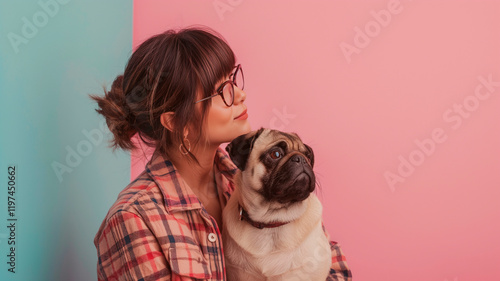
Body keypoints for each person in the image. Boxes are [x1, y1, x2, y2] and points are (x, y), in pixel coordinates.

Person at [90, 26, 352, 281]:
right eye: (220, 91)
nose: (239, 95)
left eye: (233, 79)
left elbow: (335, 269)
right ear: (176, 122)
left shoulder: (249, 179)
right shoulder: (134, 220)